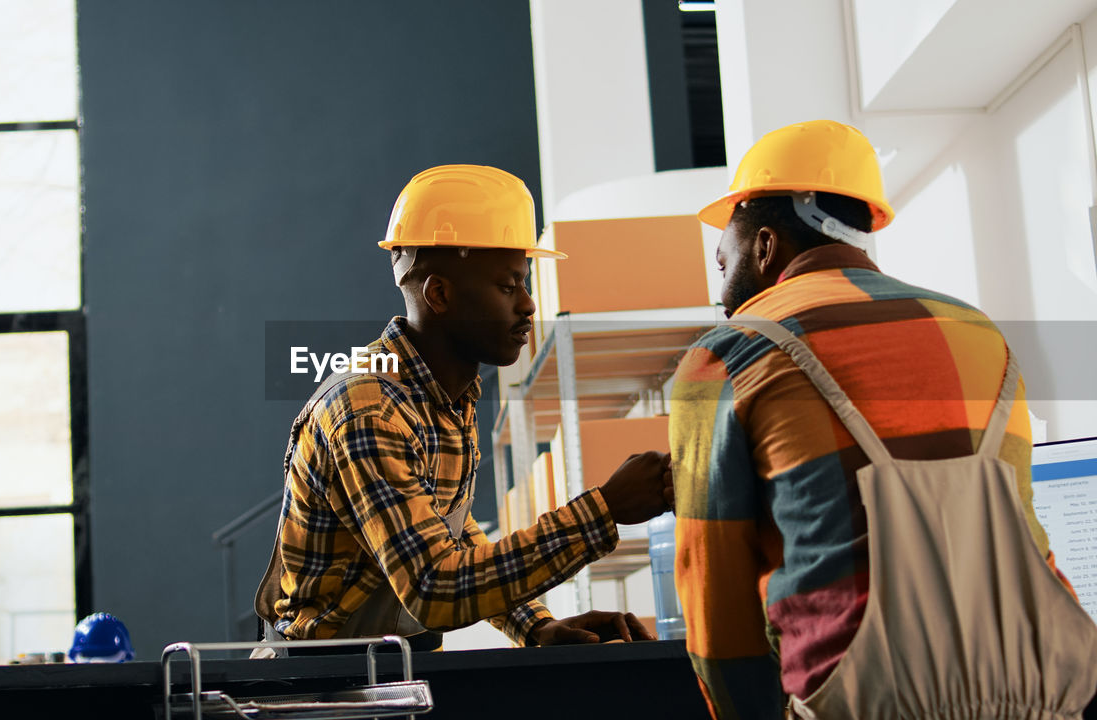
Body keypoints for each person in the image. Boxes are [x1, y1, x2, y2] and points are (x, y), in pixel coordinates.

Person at [668, 120, 1097, 719]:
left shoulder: (726, 356)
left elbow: (717, 610)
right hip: (1040, 691)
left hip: (861, 700)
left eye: (724, 263)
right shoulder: (979, 332)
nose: (722, 292)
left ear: (765, 247)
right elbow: (1023, 527)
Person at [254, 164, 672, 653]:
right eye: (507, 285)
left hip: (387, 670)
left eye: (525, 282)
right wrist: (605, 510)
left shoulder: (447, 398)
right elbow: (435, 588)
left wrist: (537, 627)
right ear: (440, 294)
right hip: (323, 686)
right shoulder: (368, 411)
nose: (529, 305)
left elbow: (448, 533)